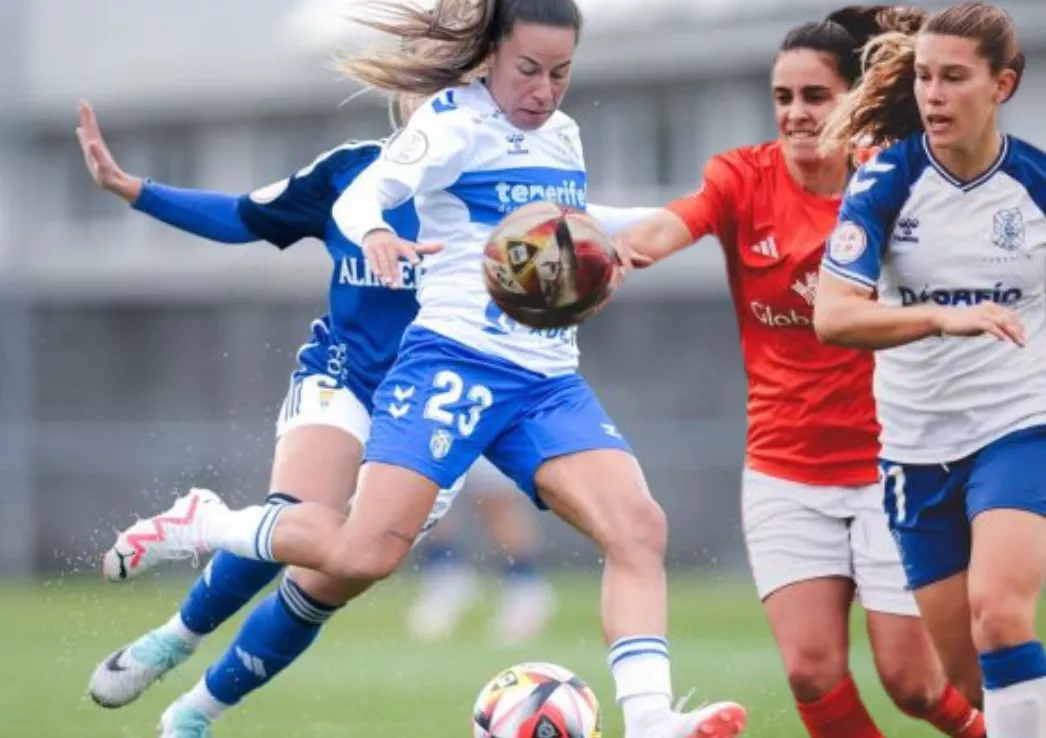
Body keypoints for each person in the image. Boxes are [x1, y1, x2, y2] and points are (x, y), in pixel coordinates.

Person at [100, 2, 747, 738]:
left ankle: (651, 720)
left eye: (561, 73)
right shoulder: (450, 122)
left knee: (638, 526)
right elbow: (370, 191)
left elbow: (575, 222)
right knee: (357, 554)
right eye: (528, 70)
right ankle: (208, 522)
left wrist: (700, 218)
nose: (544, 89)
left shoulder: (563, 136)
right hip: (454, 366)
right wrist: (375, 227)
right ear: (490, 59)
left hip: (546, 378)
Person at [812, 3, 1046, 737]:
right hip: (916, 447)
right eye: (925, 77)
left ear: (1003, 85)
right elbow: (832, 316)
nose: (933, 95)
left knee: (1000, 613)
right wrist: (939, 317)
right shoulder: (885, 182)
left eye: (954, 78)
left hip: (1020, 426)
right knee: (976, 682)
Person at [614, 7, 987, 738]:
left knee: (912, 683)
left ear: (852, 98)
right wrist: (623, 251)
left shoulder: (896, 185)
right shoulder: (741, 178)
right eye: (782, 97)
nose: (795, 113)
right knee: (810, 671)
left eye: (814, 96)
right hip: (784, 469)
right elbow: (674, 220)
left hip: (894, 464)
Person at [407, 457, 558, 645]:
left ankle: (524, 585)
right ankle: (447, 574)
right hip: (437, 428)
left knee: (496, 498)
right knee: (426, 489)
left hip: (482, 430)